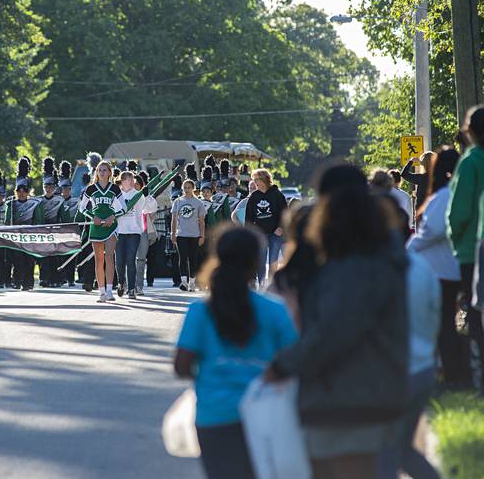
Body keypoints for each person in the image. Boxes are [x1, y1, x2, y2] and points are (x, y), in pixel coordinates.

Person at [266, 167, 409, 479]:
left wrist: (280, 365)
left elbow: (333, 332)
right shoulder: (378, 253)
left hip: (346, 402)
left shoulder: (355, 267)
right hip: (370, 395)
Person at [175, 225, 299, 479]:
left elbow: (181, 366)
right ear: (255, 261)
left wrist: (211, 374)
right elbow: (297, 358)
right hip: (266, 415)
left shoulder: (201, 311)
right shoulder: (274, 310)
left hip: (213, 415)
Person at [379, 206, 442, 479]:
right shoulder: (421, 267)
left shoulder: (372, 270)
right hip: (424, 368)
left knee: (386, 453)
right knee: (401, 449)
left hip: (391, 374)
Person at [408, 147, 469, 387]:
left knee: (442, 323)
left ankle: (451, 374)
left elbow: (431, 231)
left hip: (440, 271)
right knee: (449, 321)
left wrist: (409, 248)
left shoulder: (443, 196)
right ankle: (453, 372)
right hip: (453, 267)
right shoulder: (461, 192)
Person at [447, 104, 484, 390]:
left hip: (472, 247)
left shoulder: (471, 161)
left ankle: (477, 373)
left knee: (476, 311)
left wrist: (455, 238)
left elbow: (458, 211)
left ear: (470, 132)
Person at [79, 158, 126, 302]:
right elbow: (81, 208)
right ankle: (101, 292)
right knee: (98, 260)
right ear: (97, 172)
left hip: (111, 226)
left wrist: (113, 216)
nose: (102, 172)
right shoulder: (91, 188)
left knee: (109, 257)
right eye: (100, 170)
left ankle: (110, 291)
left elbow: (124, 208)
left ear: (110, 172)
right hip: (96, 226)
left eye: (105, 170)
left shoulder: (115, 188)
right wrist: (93, 217)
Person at [116, 170, 157, 299]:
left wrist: (147, 195)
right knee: (119, 262)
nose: (130, 181)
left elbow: (151, 208)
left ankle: (132, 288)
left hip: (134, 231)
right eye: (126, 179)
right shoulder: (116, 195)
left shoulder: (138, 195)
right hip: (119, 232)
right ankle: (121, 283)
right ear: (121, 181)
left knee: (131, 259)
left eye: (131, 179)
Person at [5, 156, 44, 291]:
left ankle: (28, 283)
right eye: (19, 190)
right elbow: (7, 221)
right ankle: (16, 281)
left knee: (29, 260)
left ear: (28, 191)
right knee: (17, 260)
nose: (21, 193)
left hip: (30, 236)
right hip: (16, 236)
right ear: (16, 191)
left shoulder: (34, 203)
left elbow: (39, 221)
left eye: (24, 190)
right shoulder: (11, 204)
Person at [245, 169, 287, 284]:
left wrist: (281, 227)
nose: (255, 182)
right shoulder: (253, 197)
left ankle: (271, 284)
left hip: (275, 234)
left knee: (273, 260)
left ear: (265, 179)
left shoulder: (277, 194)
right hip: (260, 234)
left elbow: (285, 214)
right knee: (260, 260)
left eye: (257, 180)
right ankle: (262, 282)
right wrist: (249, 232)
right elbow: (249, 217)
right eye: (254, 180)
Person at [171, 178, 206, 292]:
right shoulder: (178, 201)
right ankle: (183, 281)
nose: (187, 190)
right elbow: (174, 219)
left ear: (193, 188)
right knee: (182, 257)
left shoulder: (198, 203)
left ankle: (192, 282)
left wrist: (202, 235)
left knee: (193, 259)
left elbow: (201, 221)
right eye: (185, 187)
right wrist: (173, 233)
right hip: (181, 234)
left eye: (189, 187)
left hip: (194, 235)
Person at [39, 157, 63, 288]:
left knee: (55, 256)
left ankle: (56, 278)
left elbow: (62, 215)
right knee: (44, 256)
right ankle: (44, 278)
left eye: (50, 186)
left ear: (54, 187)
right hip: (43, 230)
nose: (48, 189)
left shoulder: (60, 200)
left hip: (56, 229)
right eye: (46, 186)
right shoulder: (38, 201)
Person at [134, 171, 158, 296]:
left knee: (141, 259)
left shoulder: (146, 198)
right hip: (129, 231)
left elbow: (152, 208)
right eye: (133, 183)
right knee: (129, 260)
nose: (135, 186)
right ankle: (128, 284)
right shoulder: (125, 196)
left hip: (142, 230)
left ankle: (139, 286)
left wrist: (146, 196)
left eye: (138, 184)